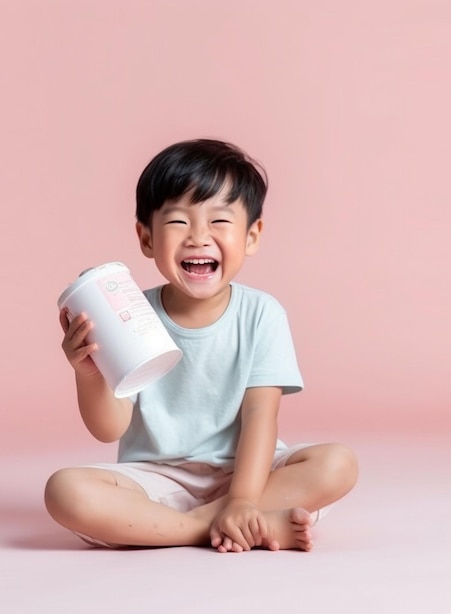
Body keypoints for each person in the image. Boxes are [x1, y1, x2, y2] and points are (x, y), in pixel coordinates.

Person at [45, 138, 358, 552]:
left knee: (337, 463)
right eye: (178, 222)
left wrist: (243, 499)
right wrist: (87, 375)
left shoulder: (262, 313)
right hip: (156, 479)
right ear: (146, 238)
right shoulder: (129, 317)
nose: (198, 237)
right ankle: (229, 527)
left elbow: (261, 417)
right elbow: (109, 429)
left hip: (250, 475)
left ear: (252, 236)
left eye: (219, 222)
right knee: (65, 491)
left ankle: (221, 519)